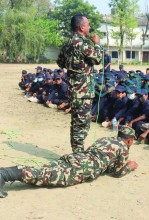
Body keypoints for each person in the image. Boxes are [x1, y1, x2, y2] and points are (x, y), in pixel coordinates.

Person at [0, 126, 138, 198]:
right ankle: (4, 175)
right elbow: (118, 173)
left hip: (75, 158)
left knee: (42, 170)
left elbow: (101, 157)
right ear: (130, 140)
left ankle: (5, 173)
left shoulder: (105, 139)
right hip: (81, 169)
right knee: (41, 175)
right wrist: (130, 167)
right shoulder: (123, 148)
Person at [56, 14, 102, 153]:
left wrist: (74, 66)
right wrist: (97, 44)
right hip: (83, 91)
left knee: (76, 122)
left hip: (73, 89)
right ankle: (78, 154)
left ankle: (77, 151)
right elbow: (98, 59)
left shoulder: (68, 43)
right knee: (82, 124)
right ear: (82, 27)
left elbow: (60, 62)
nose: (89, 27)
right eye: (87, 24)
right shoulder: (84, 43)